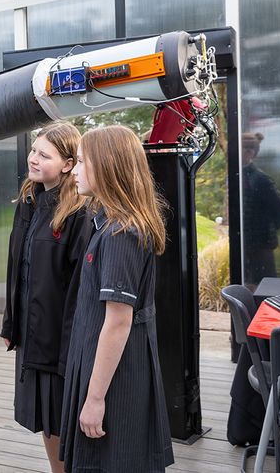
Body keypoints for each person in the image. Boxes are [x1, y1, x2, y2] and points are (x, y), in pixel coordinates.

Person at [61, 125, 174, 473]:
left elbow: (118, 321)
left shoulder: (120, 234)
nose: (74, 171)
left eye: (81, 162)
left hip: (116, 381)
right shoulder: (107, 224)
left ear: (107, 166)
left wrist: (94, 399)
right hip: (107, 369)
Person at [0, 121, 89, 472]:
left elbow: (78, 288)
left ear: (67, 164)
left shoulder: (77, 212)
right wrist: (12, 324)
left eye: (44, 154)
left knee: (62, 421)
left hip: (58, 341)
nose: (33, 159)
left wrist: (71, 347)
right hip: (31, 334)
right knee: (47, 423)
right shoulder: (29, 200)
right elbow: (17, 268)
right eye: (33, 150)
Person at [241, 132, 280, 287]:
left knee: (265, 288)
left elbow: (279, 209)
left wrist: (264, 232)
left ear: (250, 152)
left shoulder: (260, 179)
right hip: (247, 245)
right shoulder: (240, 175)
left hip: (261, 247)